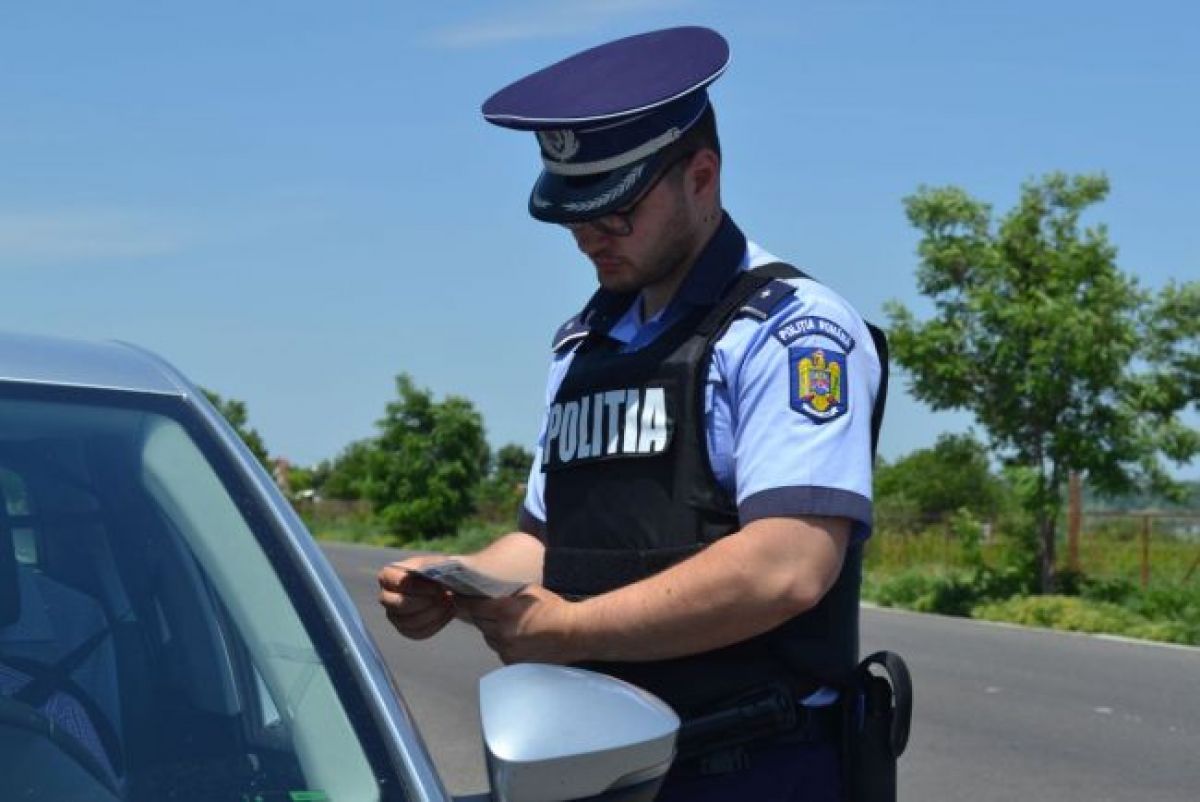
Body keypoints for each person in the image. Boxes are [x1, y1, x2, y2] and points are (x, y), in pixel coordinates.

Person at [378, 25, 888, 801]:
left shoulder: (790, 331)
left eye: (614, 213)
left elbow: (786, 568)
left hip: (749, 769)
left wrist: (568, 632)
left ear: (701, 177)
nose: (589, 238)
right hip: (594, 765)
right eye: (573, 217)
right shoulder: (585, 344)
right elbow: (546, 543)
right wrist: (457, 585)